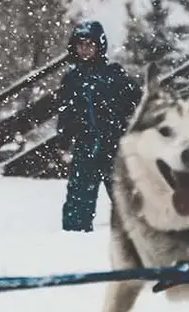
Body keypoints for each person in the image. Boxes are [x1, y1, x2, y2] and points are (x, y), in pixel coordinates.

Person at [54, 20, 141, 232]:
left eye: (90, 45)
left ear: (99, 46)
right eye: (80, 45)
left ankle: (136, 231)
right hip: (86, 144)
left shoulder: (113, 74)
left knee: (122, 191)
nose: (85, 49)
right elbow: (66, 112)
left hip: (114, 142)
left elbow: (136, 102)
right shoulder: (72, 79)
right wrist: (63, 140)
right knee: (80, 192)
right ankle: (75, 232)